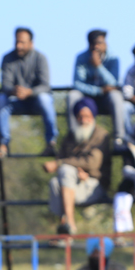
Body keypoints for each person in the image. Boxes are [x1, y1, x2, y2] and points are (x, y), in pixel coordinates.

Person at [45, 97, 109, 235]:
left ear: (93, 116)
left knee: (66, 169)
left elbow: (92, 163)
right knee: (55, 183)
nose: (83, 120)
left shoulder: (101, 135)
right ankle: (64, 228)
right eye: (80, 116)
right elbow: (61, 157)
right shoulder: (71, 136)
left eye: (87, 116)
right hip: (73, 183)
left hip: (94, 185)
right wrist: (74, 169)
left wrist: (86, 173)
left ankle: (70, 225)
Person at [0, 27, 59, 158]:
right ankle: (3, 143)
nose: (18, 46)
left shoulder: (40, 58)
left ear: (31, 43)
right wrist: (14, 90)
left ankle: (51, 142)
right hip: (17, 101)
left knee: (45, 99)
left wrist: (29, 92)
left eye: (22, 43)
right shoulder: (7, 58)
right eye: (17, 42)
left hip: (36, 102)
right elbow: (5, 84)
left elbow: (45, 86)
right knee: (2, 98)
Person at [69, 29, 128, 150]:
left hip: (106, 99)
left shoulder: (114, 58)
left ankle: (119, 139)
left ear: (105, 43)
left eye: (100, 43)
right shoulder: (81, 58)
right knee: (72, 96)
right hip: (87, 98)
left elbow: (113, 83)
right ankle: (73, 137)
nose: (97, 47)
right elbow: (78, 84)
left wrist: (98, 66)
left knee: (116, 96)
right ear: (89, 45)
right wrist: (99, 91)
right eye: (94, 44)